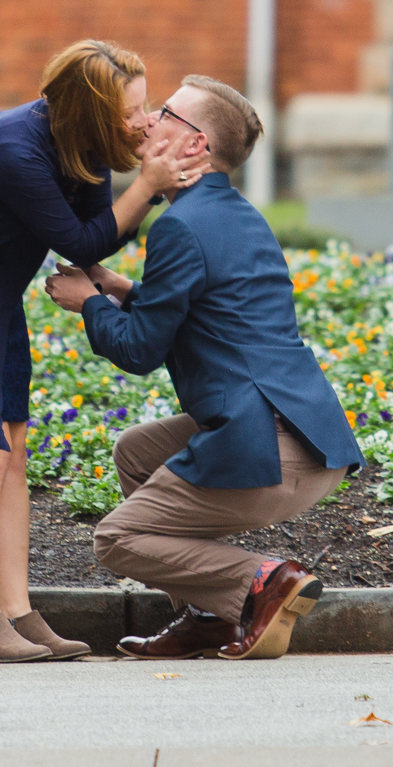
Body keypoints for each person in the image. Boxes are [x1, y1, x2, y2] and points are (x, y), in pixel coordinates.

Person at [0, 40, 210, 664]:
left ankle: (17, 610)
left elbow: (95, 241)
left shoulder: (84, 150)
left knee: (14, 448)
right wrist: (150, 181)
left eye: (146, 105)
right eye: (133, 112)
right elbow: (80, 235)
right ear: (92, 114)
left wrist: (148, 188)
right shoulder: (12, 149)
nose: (145, 120)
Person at [44, 75, 362, 662]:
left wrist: (86, 302)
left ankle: (261, 583)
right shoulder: (234, 214)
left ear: (195, 147)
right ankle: (208, 618)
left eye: (165, 111)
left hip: (270, 447)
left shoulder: (180, 227)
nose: (149, 120)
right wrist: (119, 288)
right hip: (307, 437)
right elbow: (204, 313)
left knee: (118, 538)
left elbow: (139, 351)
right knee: (137, 452)